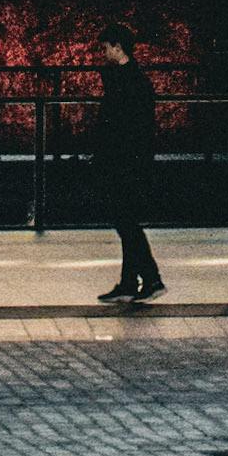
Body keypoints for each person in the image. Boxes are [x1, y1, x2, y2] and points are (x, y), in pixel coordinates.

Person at [91, 27, 164, 304]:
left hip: (124, 163)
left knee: (125, 221)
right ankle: (129, 281)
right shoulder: (134, 80)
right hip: (131, 161)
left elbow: (120, 127)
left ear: (118, 48)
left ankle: (151, 277)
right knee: (126, 220)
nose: (104, 52)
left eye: (106, 47)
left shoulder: (126, 83)